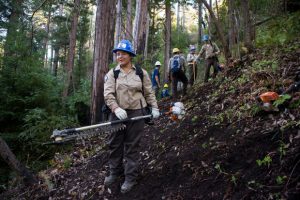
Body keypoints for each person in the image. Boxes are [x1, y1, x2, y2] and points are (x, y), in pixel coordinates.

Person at [103, 39, 160, 194]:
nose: (119, 57)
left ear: (130, 55)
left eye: (123, 54)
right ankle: (115, 172)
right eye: (117, 54)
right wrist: (115, 108)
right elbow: (108, 94)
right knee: (114, 144)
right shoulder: (112, 74)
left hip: (137, 113)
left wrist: (154, 107)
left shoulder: (141, 73)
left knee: (132, 146)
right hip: (117, 114)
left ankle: (130, 178)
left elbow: (148, 92)